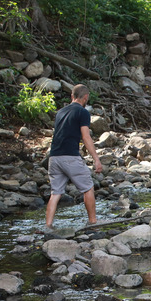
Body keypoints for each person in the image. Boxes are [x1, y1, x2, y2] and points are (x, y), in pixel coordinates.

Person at [45, 84, 103, 228]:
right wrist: (96, 159)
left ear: (72, 96)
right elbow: (86, 137)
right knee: (88, 188)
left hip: (54, 157)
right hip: (70, 156)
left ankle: (48, 225)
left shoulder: (60, 112)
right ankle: (93, 222)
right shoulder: (82, 112)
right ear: (86, 97)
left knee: (55, 193)